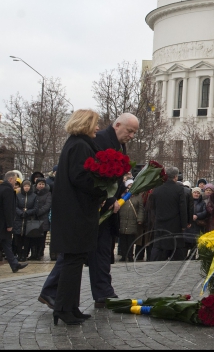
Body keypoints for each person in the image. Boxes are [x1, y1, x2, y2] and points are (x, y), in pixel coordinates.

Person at [48, 109, 107, 326]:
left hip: (73, 212)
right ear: (86, 124)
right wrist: (103, 189)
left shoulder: (75, 143)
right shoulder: (81, 146)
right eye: (95, 124)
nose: (98, 128)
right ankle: (63, 308)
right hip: (76, 214)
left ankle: (69, 306)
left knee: (74, 261)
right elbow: (81, 178)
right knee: (73, 262)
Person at [91, 113, 139, 308]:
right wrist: (110, 199)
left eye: (134, 132)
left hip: (110, 207)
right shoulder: (101, 140)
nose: (132, 136)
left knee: (102, 250)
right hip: (100, 207)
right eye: (130, 131)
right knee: (78, 254)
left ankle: (104, 293)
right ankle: (51, 290)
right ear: (117, 125)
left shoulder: (119, 143)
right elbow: (98, 174)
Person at [149, 167, 188, 261]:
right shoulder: (179, 190)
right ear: (175, 177)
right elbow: (183, 208)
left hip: (160, 223)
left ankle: (154, 262)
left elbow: (152, 207)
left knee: (159, 246)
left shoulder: (157, 190)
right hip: (175, 223)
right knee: (176, 247)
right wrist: (184, 225)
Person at [0, 173, 28, 274]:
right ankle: (14, 264)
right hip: (3, 224)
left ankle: (14, 264)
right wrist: (9, 224)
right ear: (10, 179)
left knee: (7, 244)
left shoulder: (1, 188)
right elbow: (8, 209)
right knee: (6, 243)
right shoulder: (8, 190)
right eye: (15, 180)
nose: (16, 182)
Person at [118, 181, 144, 262]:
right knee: (122, 239)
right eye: (129, 185)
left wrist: (140, 219)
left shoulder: (138, 197)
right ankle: (123, 255)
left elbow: (140, 209)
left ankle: (130, 255)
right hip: (122, 220)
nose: (130, 187)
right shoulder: (122, 196)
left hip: (132, 221)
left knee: (131, 240)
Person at [13, 180, 37, 262]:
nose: (26, 187)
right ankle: (19, 254)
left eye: (28, 186)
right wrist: (21, 213)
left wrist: (27, 212)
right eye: (25, 186)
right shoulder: (18, 196)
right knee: (18, 239)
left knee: (27, 240)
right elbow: (15, 206)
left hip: (29, 220)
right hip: (19, 220)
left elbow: (35, 208)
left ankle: (24, 255)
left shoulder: (34, 196)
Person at [31, 178, 52, 261]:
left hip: (43, 218)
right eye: (39, 184)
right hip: (33, 218)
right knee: (33, 237)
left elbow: (47, 205)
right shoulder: (33, 193)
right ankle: (33, 253)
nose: (41, 186)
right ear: (36, 185)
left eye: (43, 184)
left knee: (42, 238)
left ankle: (40, 253)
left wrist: (38, 212)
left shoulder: (48, 193)